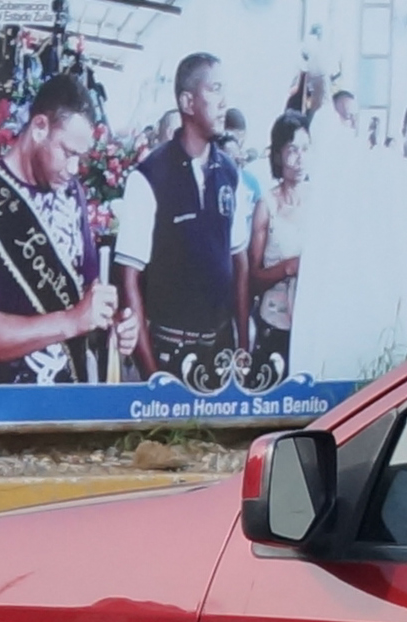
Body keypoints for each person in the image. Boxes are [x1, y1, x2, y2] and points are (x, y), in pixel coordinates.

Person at [0, 74, 119, 382]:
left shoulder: (70, 190)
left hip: (69, 391)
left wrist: (113, 317)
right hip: (7, 402)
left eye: (81, 156)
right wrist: (71, 321)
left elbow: (87, 283)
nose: (74, 170)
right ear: (38, 128)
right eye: (68, 153)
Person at [129, 53, 243, 387]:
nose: (225, 103)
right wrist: (152, 374)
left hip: (221, 350)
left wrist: (243, 346)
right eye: (216, 89)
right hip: (170, 350)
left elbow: (239, 262)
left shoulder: (230, 172)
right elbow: (129, 280)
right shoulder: (149, 176)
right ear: (187, 102)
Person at [245, 108, 307, 386]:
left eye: (306, 149)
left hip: (308, 326)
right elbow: (252, 278)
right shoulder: (266, 205)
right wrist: (289, 268)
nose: (300, 158)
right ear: (279, 155)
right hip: (274, 324)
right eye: (293, 150)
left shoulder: (321, 203)